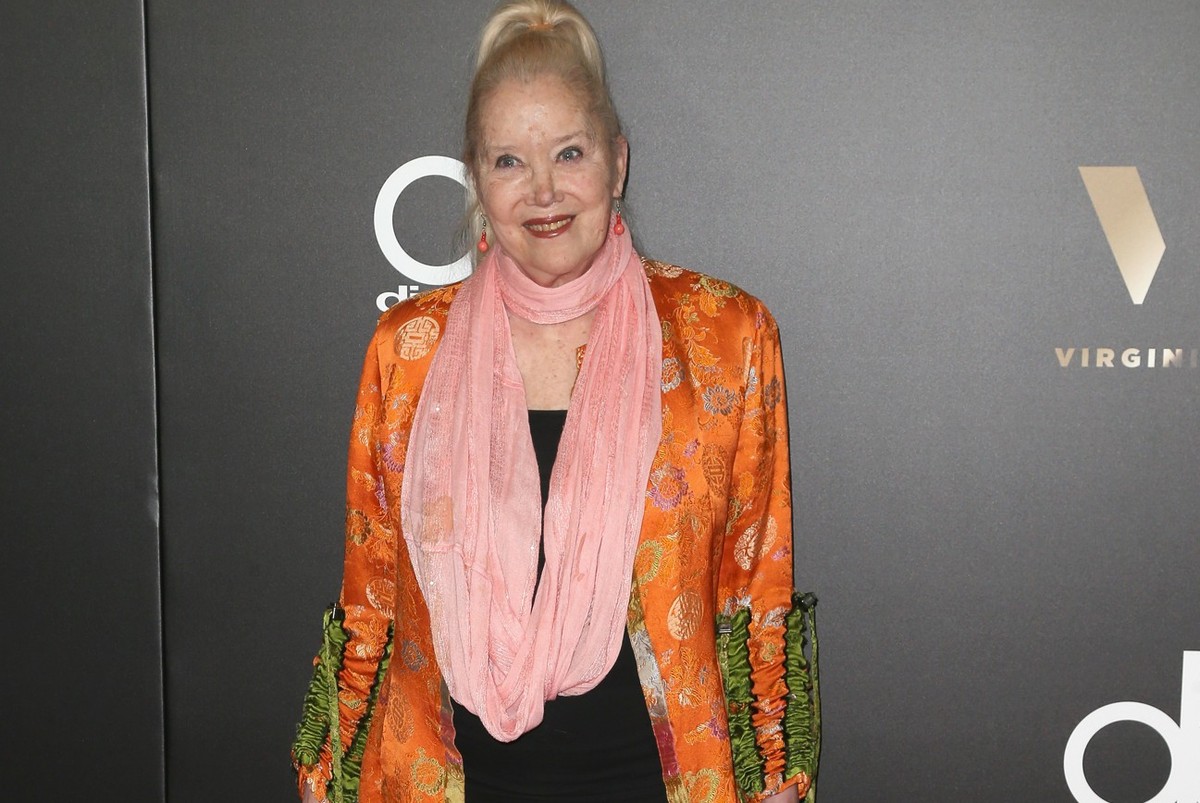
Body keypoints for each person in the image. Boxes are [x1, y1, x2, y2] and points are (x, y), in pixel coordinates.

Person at [292, 2, 819, 801]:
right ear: (476, 178)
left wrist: (777, 771)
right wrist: (327, 774)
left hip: (656, 782)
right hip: (450, 780)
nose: (543, 191)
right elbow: (371, 598)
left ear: (617, 162)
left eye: (568, 152)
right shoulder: (405, 353)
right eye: (509, 161)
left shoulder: (726, 337)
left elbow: (756, 586)